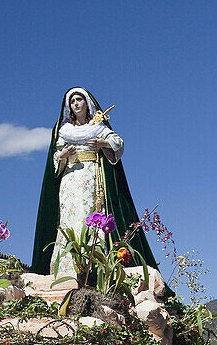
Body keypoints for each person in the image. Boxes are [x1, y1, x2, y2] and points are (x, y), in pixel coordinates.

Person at [32, 88, 156, 275]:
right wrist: (63, 155)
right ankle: (67, 267)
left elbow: (118, 143)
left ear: (87, 102)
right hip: (70, 179)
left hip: (91, 177)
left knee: (89, 216)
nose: (76, 103)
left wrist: (102, 144)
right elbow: (54, 159)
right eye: (72, 101)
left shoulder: (98, 126)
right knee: (69, 219)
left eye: (79, 99)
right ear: (68, 107)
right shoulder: (63, 130)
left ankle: (94, 264)